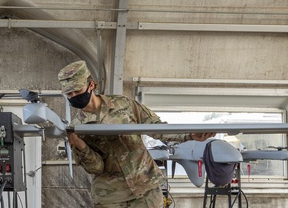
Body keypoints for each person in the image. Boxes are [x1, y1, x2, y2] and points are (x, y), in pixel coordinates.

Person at [59, 60, 215, 208]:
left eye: (77, 91)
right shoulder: (77, 127)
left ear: (91, 85)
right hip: (111, 196)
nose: (74, 97)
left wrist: (188, 135)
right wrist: (78, 144)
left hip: (145, 187)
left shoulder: (123, 104)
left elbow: (156, 128)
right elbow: (97, 167)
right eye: (69, 94)